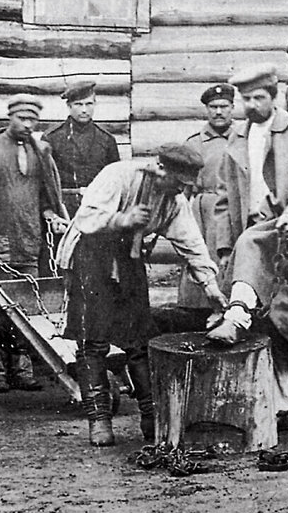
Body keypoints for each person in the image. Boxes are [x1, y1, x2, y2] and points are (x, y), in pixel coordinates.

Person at [55, 144, 225, 447]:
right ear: (161, 170)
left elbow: (191, 242)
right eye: (178, 183)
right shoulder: (117, 175)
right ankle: (99, 421)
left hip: (129, 258)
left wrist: (210, 285)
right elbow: (87, 219)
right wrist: (121, 219)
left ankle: (151, 418)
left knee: (140, 339)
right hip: (91, 254)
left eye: (186, 186)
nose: (181, 191)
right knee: (93, 340)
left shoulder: (174, 200)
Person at [206, 65, 288, 433]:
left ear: (274, 97)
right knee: (267, 327)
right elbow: (226, 198)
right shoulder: (238, 136)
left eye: (259, 97)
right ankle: (282, 407)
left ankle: (238, 312)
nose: (250, 104)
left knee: (277, 322)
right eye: (246, 98)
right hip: (251, 237)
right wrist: (224, 246)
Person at [0, 93, 70, 393]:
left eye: (33, 120)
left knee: (27, 306)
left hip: (29, 243)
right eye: (22, 118)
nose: (27, 124)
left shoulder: (40, 152)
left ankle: (22, 369)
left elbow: (47, 196)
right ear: (10, 117)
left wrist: (52, 216)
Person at [177, 83, 236, 314]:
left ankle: (234, 308)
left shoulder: (243, 138)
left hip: (233, 208)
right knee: (200, 256)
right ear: (206, 109)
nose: (218, 112)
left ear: (233, 108)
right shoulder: (194, 143)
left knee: (232, 258)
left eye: (224, 106)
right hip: (203, 209)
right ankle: (196, 309)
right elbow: (183, 188)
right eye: (213, 107)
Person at [44, 81, 120, 217]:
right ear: (69, 106)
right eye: (78, 104)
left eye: (89, 104)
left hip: (98, 210)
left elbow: (115, 180)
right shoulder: (52, 138)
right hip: (64, 209)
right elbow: (44, 181)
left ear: (95, 105)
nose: (84, 110)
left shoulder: (106, 139)